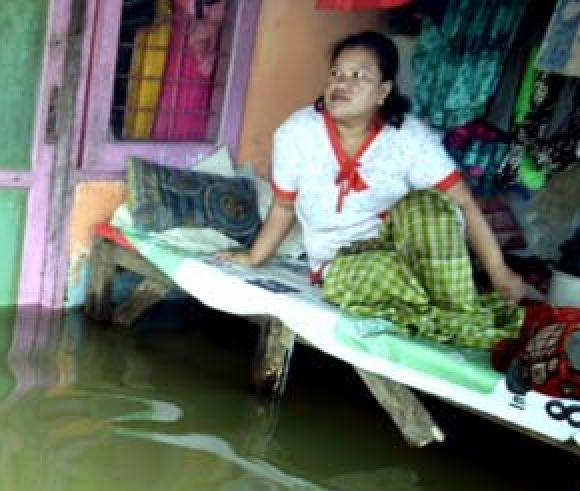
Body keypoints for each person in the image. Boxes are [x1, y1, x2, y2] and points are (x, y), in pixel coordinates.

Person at [217, 31, 524, 349]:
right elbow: (283, 207)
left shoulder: (410, 138)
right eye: (336, 74)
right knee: (380, 271)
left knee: (431, 204)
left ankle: (448, 306)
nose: (341, 84)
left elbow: (465, 204)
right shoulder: (297, 133)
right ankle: (457, 310)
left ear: (383, 91)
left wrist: (499, 272)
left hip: (407, 253)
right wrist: (254, 257)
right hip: (345, 264)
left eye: (357, 76)